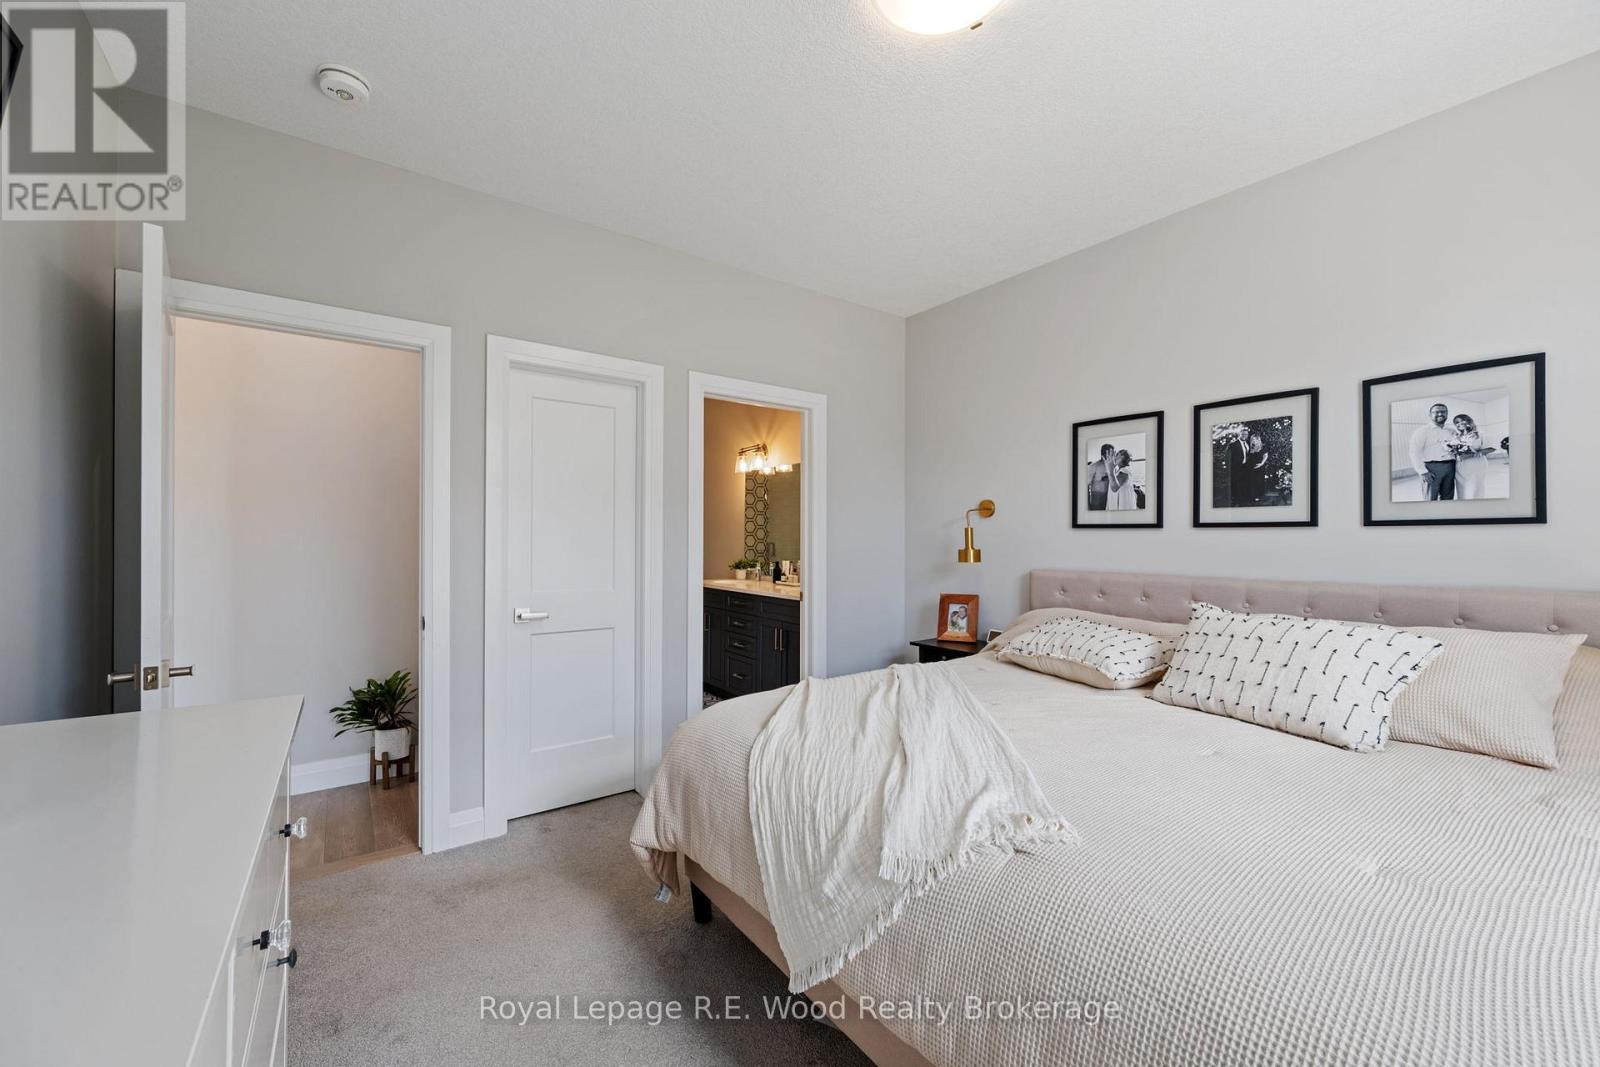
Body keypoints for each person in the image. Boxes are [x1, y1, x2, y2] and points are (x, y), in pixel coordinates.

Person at [1408, 402, 1458, 500]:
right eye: (1437, 412)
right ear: (1430, 415)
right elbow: (1414, 452)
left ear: (1447, 414)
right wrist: (1422, 472)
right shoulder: (1422, 431)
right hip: (1432, 468)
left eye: (1443, 412)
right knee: (1430, 498)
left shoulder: (1451, 431)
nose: (1440, 414)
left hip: (1451, 466)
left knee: (1448, 497)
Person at [1451, 413, 1496, 500]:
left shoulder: (1479, 434)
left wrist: (1475, 453)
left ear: (1468, 421)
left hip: (1476, 465)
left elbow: (1492, 448)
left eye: (1462, 421)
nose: (1459, 424)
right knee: (1462, 491)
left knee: (1475, 489)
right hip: (1461, 467)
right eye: (1456, 422)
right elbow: (1453, 451)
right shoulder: (1456, 436)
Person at [1086, 443, 1114, 511]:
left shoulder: (1113, 466)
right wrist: (1087, 506)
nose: (1113, 455)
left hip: (1111, 502)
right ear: (1104, 454)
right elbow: (1085, 486)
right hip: (1097, 502)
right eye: (1111, 453)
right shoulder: (1093, 466)